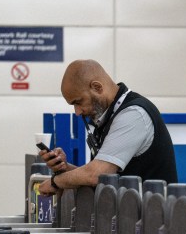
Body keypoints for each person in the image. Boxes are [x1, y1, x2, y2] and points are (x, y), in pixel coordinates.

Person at [36, 59, 178, 195]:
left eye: (78, 102)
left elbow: (96, 175)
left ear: (97, 87)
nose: (77, 112)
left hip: (153, 216)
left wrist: (56, 182)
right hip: (131, 214)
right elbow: (103, 180)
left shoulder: (133, 114)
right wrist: (65, 168)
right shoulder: (109, 118)